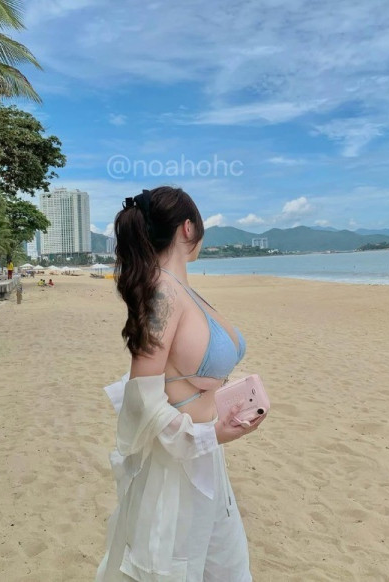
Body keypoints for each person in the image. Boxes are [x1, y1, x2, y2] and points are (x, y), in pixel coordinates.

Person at [95, 187, 266, 581]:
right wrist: (210, 435)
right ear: (188, 228)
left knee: (224, 567)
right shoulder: (163, 294)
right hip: (176, 468)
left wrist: (222, 411)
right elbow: (142, 399)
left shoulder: (180, 289)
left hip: (204, 458)